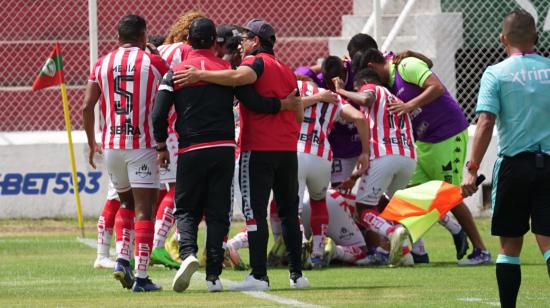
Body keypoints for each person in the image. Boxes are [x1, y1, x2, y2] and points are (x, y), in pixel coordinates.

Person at [152, 17, 300, 292]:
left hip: (192, 148)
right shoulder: (228, 71)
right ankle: (213, 277)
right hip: (225, 148)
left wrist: (161, 145)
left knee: (186, 208)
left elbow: (158, 114)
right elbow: (253, 101)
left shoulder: (177, 72)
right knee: (219, 213)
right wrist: (283, 105)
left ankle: (188, 253)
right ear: (215, 41)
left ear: (188, 41)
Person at [359, 48, 491, 265]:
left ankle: (481, 250)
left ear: (372, 67)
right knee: (410, 194)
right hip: (424, 141)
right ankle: (414, 248)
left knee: (449, 195)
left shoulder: (405, 66)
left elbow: (436, 87)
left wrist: (409, 105)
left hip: (447, 133)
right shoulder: (390, 80)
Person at [460, 10, 550, 308]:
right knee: (548, 242)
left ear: (502, 39)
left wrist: (471, 169)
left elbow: (485, 122)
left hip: (514, 165)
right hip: (549, 163)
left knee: (510, 246)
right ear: (537, 38)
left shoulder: (495, 73)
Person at [83, 15, 169, 292]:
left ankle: (122, 259)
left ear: (117, 36)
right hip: (141, 145)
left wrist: (91, 142)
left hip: (111, 146)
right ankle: (142, 277)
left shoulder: (102, 63)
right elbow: (170, 91)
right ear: (144, 36)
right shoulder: (154, 63)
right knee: (145, 210)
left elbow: (86, 108)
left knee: (125, 204)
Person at [333, 68, 415, 265]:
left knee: (363, 208)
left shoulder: (372, 88)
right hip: (408, 157)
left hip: (385, 154)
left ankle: (393, 235)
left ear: (363, 83)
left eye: (357, 88)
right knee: (392, 207)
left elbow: (366, 99)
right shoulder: (394, 97)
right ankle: (400, 254)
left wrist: (341, 91)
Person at [293, 79, 370, 267]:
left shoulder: (292, 87)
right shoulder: (332, 97)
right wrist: (365, 152)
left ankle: (300, 246)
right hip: (322, 155)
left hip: (295, 151)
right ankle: (317, 251)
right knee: (318, 200)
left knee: (291, 206)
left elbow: (286, 105)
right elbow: (359, 118)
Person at [150, 10, 204, 271]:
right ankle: (157, 245)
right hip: (172, 127)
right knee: (175, 190)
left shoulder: (161, 48)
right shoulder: (185, 52)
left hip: (153, 125)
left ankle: (152, 244)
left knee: (160, 190)